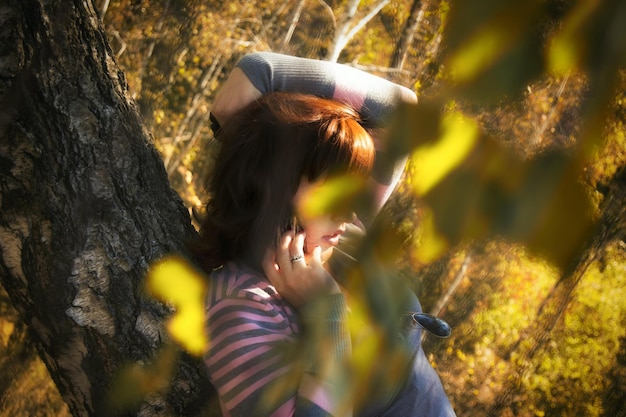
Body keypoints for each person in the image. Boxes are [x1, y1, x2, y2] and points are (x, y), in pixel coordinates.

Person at [194, 52, 455, 417]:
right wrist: (327, 314)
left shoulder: (338, 244)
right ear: (271, 189)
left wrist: (264, 73)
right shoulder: (244, 309)